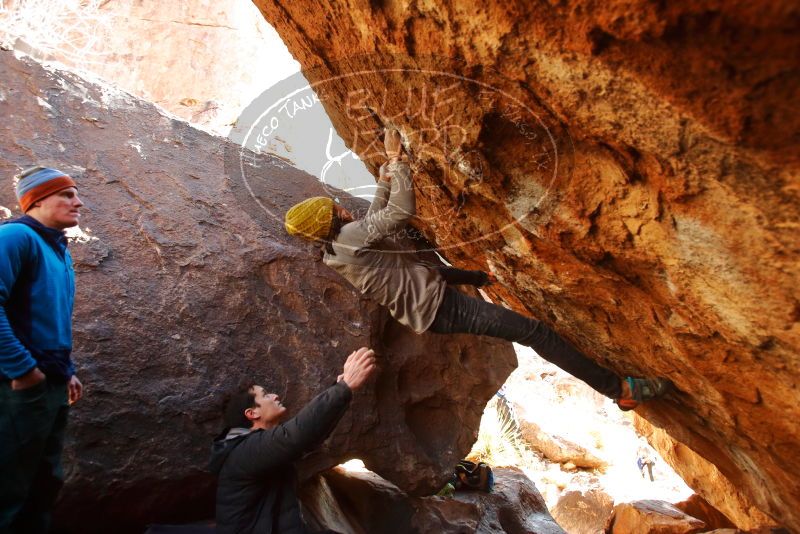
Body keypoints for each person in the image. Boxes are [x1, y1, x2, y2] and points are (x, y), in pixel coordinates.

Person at [284, 129, 671, 411]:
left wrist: (387, 173)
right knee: (534, 332)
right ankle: (619, 388)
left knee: (515, 317)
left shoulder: (338, 248)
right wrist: (399, 163)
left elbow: (376, 219)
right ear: (331, 221)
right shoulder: (349, 239)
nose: (341, 206)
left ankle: (616, 386)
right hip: (441, 308)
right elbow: (398, 214)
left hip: (434, 303)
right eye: (333, 208)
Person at [209, 347, 377, 534]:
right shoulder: (245, 452)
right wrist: (344, 387)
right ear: (252, 413)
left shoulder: (250, 449)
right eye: (265, 395)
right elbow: (297, 435)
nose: (275, 396)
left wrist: (338, 390)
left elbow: (311, 436)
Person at [0, 166, 85, 533]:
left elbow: (46, 319)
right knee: (8, 489)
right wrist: (23, 370)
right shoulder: (15, 237)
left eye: (75, 193)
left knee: (44, 483)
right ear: (36, 199)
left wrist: (65, 370)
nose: (77, 201)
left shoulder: (58, 250)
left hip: (48, 382)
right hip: (16, 386)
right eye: (66, 194)